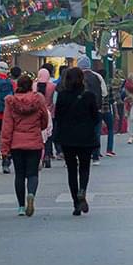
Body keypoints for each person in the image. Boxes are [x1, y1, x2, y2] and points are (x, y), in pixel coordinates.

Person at [0, 74, 50, 217]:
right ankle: (31, 195)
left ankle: (21, 206)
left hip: (17, 143)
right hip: (34, 142)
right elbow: (45, 120)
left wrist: (4, 148)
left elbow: (7, 126)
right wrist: (39, 127)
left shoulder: (11, 102)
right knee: (33, 173)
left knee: (19, 175)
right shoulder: (38, 99)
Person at [53, 66, 99, 216]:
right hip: (85, 137)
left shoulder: (62, 96)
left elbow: (58, 117)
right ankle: (82, 191)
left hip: (68, 138)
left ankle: (75, 203)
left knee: (71, 170)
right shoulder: (89, 96)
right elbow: (96, 117)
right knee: (84, 168)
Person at [94, 60, 117, 157]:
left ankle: (97, 151)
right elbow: (112, 101)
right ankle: (109, 149)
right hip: (107, 110)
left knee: (97, 131)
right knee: (111, 129)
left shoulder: (94, 86)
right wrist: (116, 113)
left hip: (97, 110)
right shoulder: (108, 86)